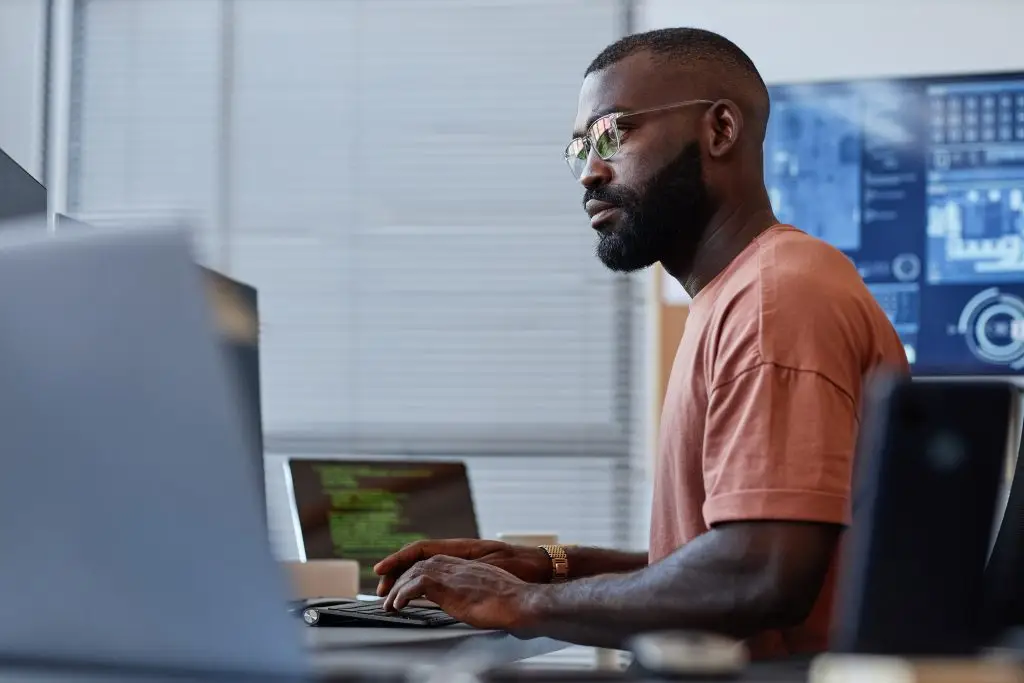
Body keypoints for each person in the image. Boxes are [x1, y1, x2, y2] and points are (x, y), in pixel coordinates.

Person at [373, 27, 909, 658]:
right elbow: (715, 556)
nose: (590, 173)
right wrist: (550, 566)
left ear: (719, 131)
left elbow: (757, 575)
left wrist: (518, 603)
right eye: (580, 150)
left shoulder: (774, 301)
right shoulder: (742, 294)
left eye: (613, 134)